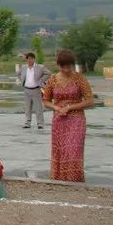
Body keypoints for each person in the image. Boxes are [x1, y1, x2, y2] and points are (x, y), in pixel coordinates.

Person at [42, 49, 94, 182]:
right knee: (61, 151)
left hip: (76, 119)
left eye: (69, 66)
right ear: (59, 65)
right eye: (64, 66)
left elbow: (90, 100)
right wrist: (56, 108)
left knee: (73, 150)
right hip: (59, 120)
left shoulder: (79, 78)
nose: (67, 69)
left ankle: (74, 180)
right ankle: (59, 179)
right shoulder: (52, 79)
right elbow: (46, 100)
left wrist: (70, 107)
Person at [19, 52, 51, 129]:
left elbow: (48, 73)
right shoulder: (23, 67)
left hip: (36, 89)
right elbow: (18, 73)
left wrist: (41, 81)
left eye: (31, 59)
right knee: (27, 108)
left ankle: (40, 123)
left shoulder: (40, 67)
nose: (30, 60)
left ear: (34, 59)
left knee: (38, 108)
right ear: (26, 60)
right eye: (28, 59)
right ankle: (27, 123)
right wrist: (21, 80)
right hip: (27, 90)